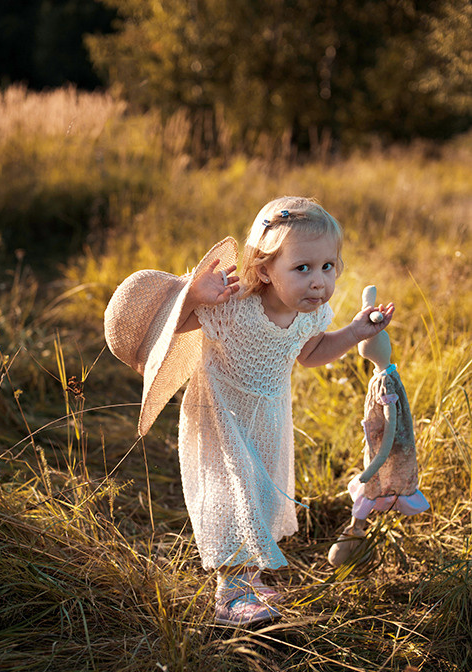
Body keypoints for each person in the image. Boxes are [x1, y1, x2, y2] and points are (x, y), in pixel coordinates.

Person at [104, 196, 394, 627]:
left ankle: (250, 579)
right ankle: (231, 595)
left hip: (269, 417)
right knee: (232, 495)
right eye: (303, 268)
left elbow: (312, 353)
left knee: (260, 495)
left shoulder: (311, 315)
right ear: (264, 269)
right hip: (221, 415)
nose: (318, 282)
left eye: (328, 267)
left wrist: (354, 331)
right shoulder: (233, 305)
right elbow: (169, 330)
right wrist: (193, 296)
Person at [327, 285, 429, 569]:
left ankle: (355, 536)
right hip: (378, 444)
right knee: (373, 490)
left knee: (372, 487)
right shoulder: (384, 374)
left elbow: (391, 423)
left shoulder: (385, 382)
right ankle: (358, 534)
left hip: (386, 451)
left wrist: (375, 464)